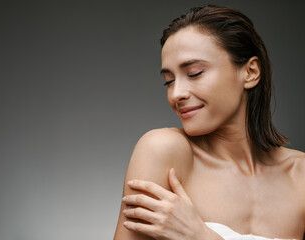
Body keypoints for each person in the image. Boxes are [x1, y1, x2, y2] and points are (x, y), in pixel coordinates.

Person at [113, 4, 305, 240]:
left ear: (251, 72)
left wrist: (201, 236)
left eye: (194, 73)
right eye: (169, 81)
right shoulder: (162, 151)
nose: (176, 94)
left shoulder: (301, 177)